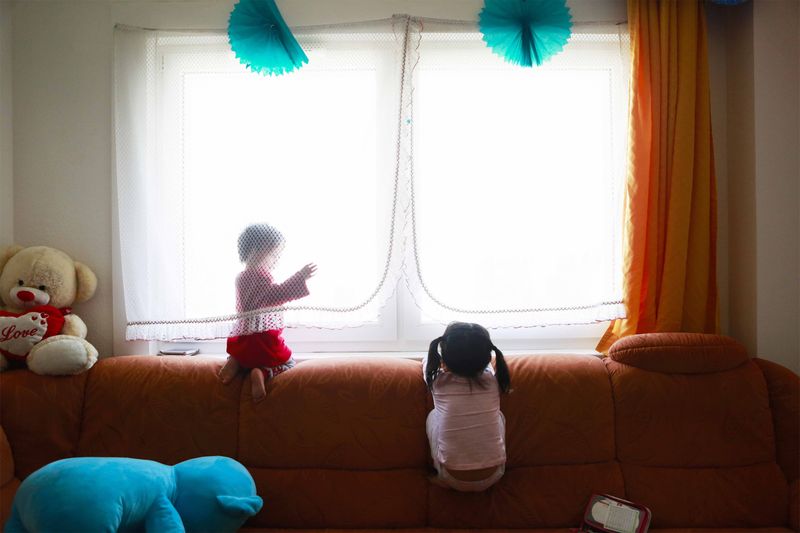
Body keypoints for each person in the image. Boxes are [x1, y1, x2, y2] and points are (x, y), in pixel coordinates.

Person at [219, 223, 316, 401]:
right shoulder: (262, 276)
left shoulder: (240, 277)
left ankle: (235, 361)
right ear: (260, 250)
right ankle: (262, 373)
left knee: (247, 358)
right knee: (288, 362)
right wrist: (300, 277)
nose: (276, 260)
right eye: (274, 254)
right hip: (263, 342)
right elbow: (275, 295)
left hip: (243, 341)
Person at [423, 322, 511, 491]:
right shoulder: (492, 381)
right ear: (487, 357)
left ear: (444, 357)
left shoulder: (438, 381)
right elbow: (486, 367)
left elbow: (427, 362)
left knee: (434, 415)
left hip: (451, 477)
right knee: (498, 415)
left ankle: (439, 472)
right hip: (495, 475)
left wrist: (440, 362)